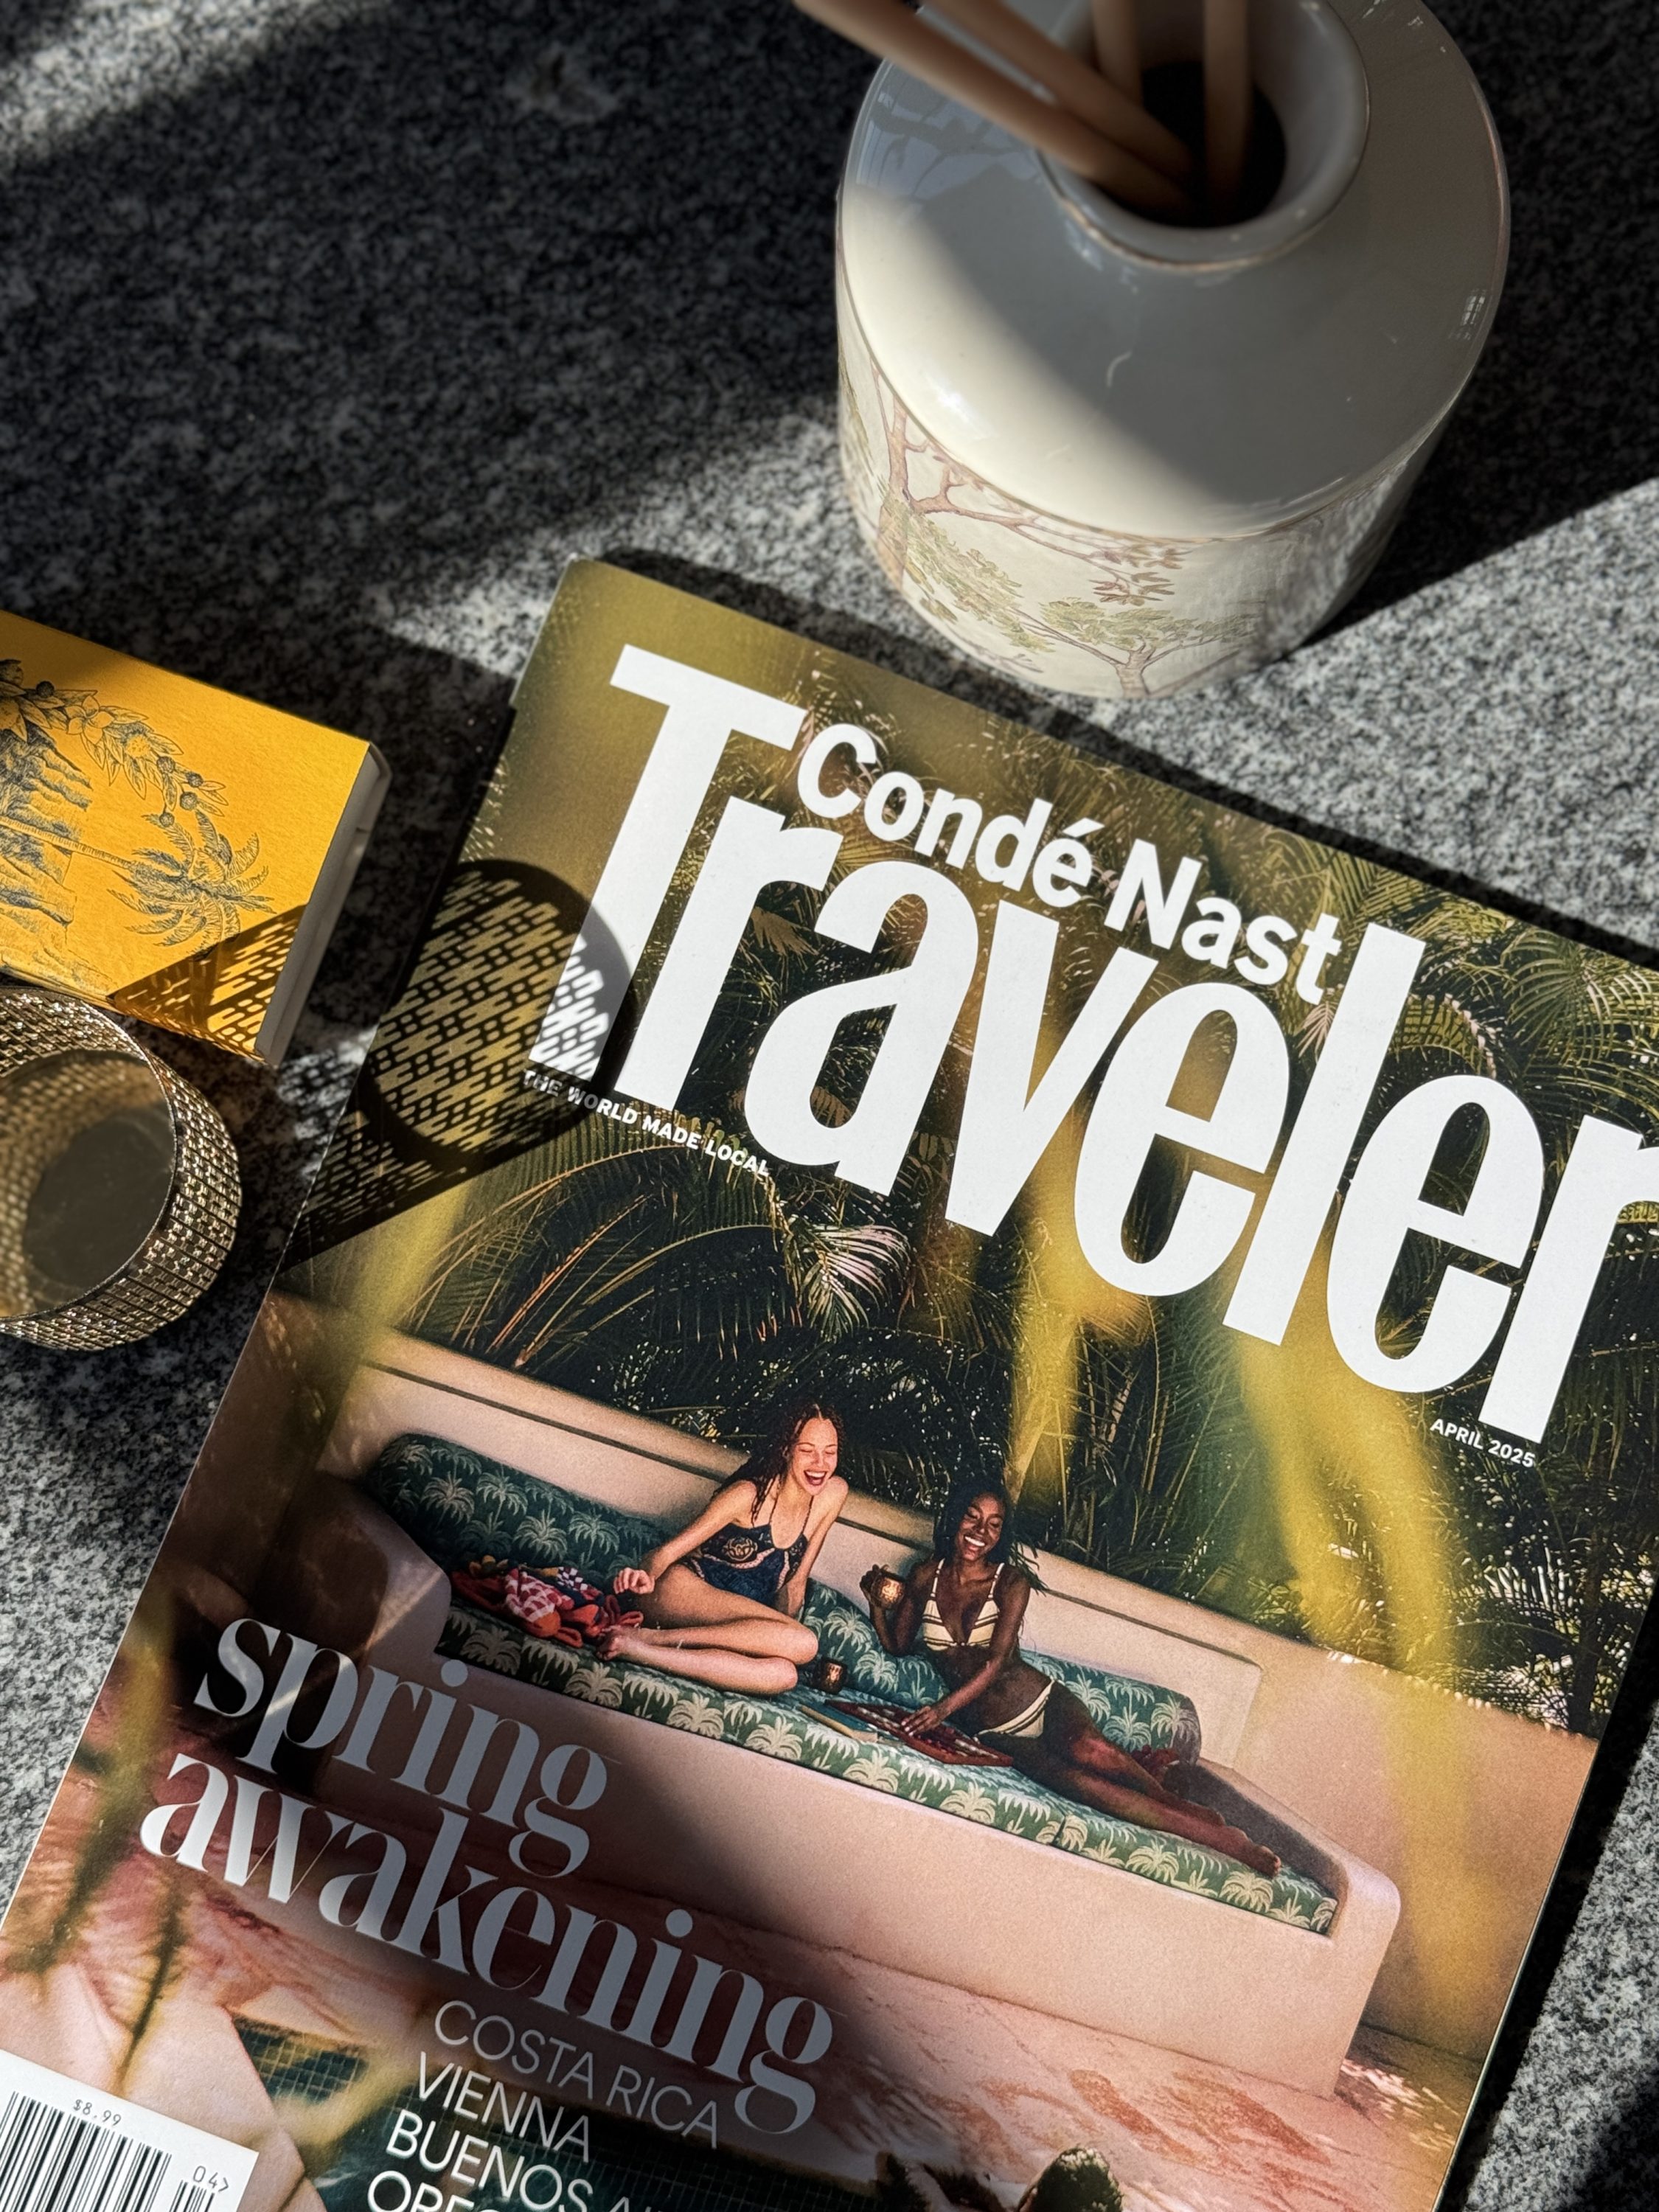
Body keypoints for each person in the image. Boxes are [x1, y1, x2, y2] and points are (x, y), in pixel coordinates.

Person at [862, 1480, 1280, 1877]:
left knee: (1089, 1749)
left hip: (1042, 1702)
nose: (980, 1532)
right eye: (972, 1517)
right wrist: (877, 1606)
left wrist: (941, 1710)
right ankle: (1209, 1829)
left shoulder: (1010, 1582)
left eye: (994, 1524)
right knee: (1080, 1784)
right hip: (994, 1730)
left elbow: (996, 1662)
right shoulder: (925, 1576)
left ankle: (1223, 1837)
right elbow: (898, 1645)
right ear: (955, 1516)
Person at [604, 1400, 849, 1694]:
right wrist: (646, 1575)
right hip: (679, 1591)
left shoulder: (832, 1495)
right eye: (807, 1451)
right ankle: (654, 1637)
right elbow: (667, 1553)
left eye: (830, 1452)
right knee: (804, 1643)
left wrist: (776, 1642)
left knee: (783, 1674)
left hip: (731, 1624)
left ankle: (641, 1650)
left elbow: (795, 1584)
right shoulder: (748, 1495)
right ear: (786, 1450)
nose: (821, 1464)